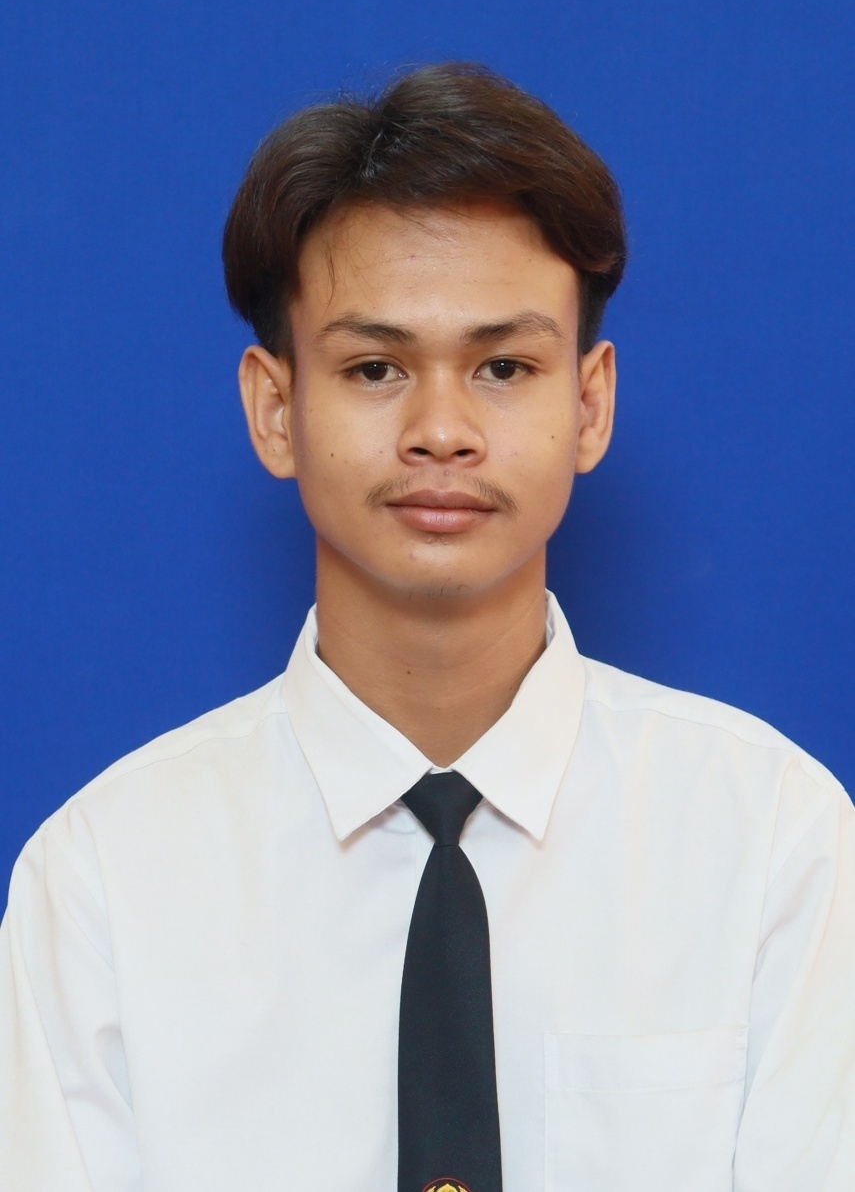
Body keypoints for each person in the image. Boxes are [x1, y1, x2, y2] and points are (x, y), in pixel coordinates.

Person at [1, 61, 853, 1192]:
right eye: (374, 367)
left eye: (504, 366)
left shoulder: (774, 843)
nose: (441, 430)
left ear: (589, 402)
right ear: (275, 407)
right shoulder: (104, 883)